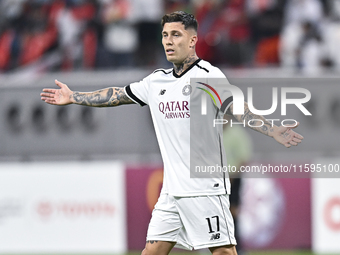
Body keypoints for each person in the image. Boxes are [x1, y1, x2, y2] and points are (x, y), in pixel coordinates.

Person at [41, 11, 304, 255]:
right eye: (165, 35)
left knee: (223, 252)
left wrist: (272, 130)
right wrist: (74, 96)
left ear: (192, 40)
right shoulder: (156, 81)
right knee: (150, 252)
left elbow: (238, 108)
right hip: (171, 192)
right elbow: (117, 95)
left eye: (176, 35)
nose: (168, 41)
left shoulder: (208, 76)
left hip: (205, 188)